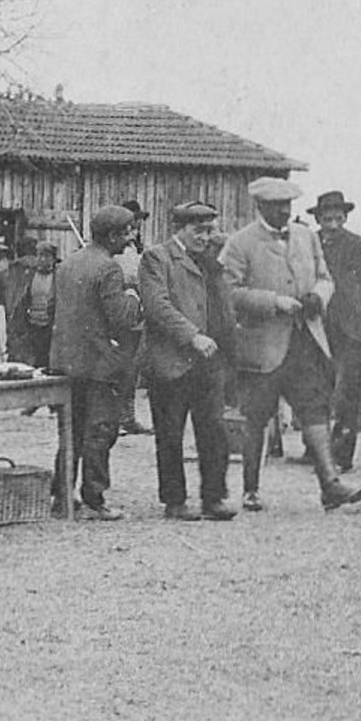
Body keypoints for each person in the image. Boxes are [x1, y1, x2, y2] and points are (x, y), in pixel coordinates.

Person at [220, 178, 361, 512]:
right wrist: (273, 302)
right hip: (263, 346)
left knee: (314, 409)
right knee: (256, 416)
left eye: (288, 205)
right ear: (261, 207)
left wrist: (319, 295)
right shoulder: (240, 243)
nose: (285, 212)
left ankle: (330, 484)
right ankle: (251, 489)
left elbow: (326, 277)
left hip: (305, 340)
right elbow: (228, 293)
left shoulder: (307, 236)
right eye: (276, 206)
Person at [139, 203, 237, 521]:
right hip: (172, 361)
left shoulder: (211, 260)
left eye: (210, 230)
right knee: (170, 434)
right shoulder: (157, 257)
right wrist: (192, 335)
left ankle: (214, 498)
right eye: (199, 231)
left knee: (214, 431)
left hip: (209, 363)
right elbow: (157, 306)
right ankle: (175, 500)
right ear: (180, 229)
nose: (206, 237)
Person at [49, 205, 141, 520]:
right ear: (112, 235)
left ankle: (62, 495)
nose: (132, 239)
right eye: (128, 232)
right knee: (101, 430)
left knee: (71, 430)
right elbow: (123, 319)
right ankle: (95, 497)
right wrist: (134, 291)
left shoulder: (68, 264)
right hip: (100, 364)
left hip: (66, 361)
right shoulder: (110, 269)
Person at [310, 190, 361, 472]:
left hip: (350, 326)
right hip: (315, 322)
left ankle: (341, 455)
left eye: (338, 219)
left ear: (345, 218)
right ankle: (316, 449)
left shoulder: (360, 247)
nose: (332, 225)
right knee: (315, 387)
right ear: (318, 219)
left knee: (348, 392)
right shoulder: (309, 243)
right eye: (327, 219)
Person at [115, 199, 151, 436]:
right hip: (121, 314)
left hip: (138, 314)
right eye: (134, 222)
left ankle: (127, 416)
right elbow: (129, 276)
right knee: (122, 366)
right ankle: (117, 417)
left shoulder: (137, 248)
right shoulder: (120, 250)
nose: (137, 226)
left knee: (132, 367)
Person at [7, 240, 58, 371]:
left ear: (53, 259)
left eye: (46, 256)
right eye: (39, 256)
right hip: (32, 327)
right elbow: (21, 301)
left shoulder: (58, 277)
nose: (42, 260)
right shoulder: (29, 276)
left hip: (50, 327)